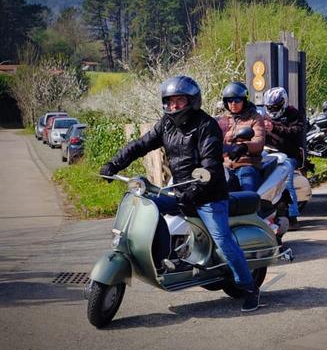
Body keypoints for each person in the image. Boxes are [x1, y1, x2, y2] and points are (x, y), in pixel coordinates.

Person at [99, 76, 261, 312]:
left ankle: (249, 288)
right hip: (181, 190)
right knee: (149, 206)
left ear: (192, 101)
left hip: (209, 196)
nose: (174, 106)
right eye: (170, 101)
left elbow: (211, 168)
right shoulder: (166, 124)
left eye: (180, 101)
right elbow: (140, 144)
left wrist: (194, 192)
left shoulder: (207, 126)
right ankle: (163, 260)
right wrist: (113, 164)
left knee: (223, 241)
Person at [263, 86, 305, 231]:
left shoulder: (294, 114)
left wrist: (273, 128)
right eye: (270, 107)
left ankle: (293, 216)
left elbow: (295, 132)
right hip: (268, 153)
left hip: (289, 154)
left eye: (276, 107)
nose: (273, 110)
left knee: (287, 180)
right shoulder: (263, 116)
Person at [217, 82, 265, 192]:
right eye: (230, 100)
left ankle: (253, 209)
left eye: (237, 100)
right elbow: (214, 138)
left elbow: (259, 141)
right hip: (226, 166)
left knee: (247, 196)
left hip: (247, 164)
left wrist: (244, 147)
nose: (233, 103)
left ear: (244, 100)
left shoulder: (255, 118)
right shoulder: (223, 120)